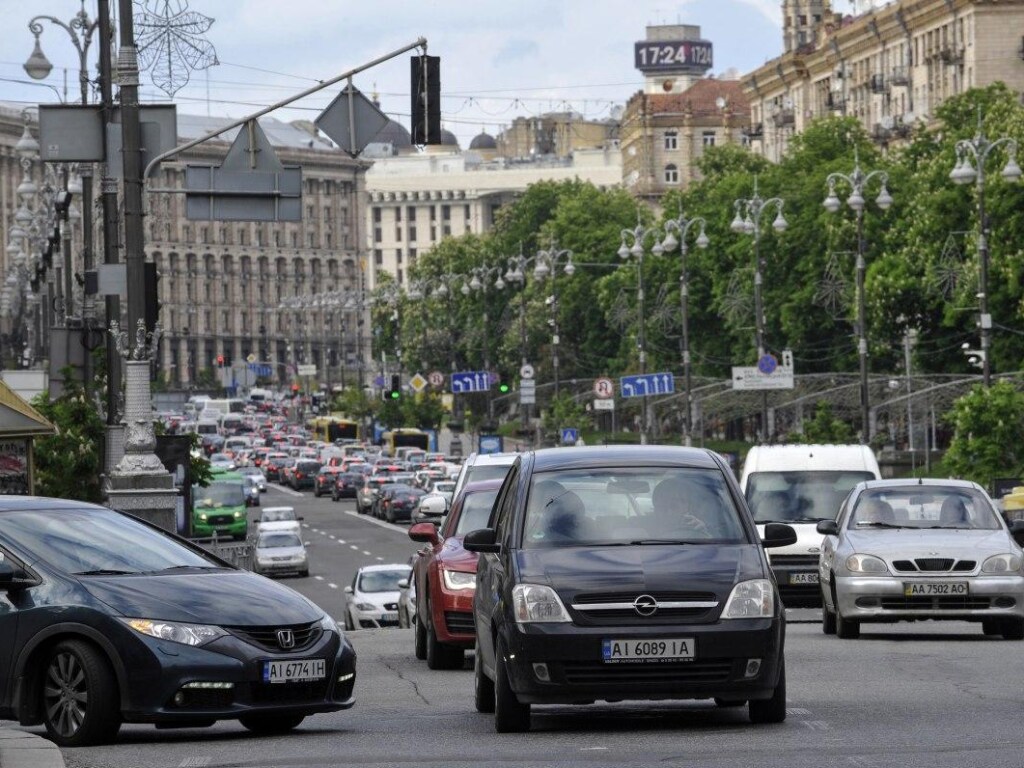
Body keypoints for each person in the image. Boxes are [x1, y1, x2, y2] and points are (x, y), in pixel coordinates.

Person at [649, 476, 721, 539]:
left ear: (687, 507)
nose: (669, 512)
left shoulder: (699, 528)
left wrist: (704, 534)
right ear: (655, 507)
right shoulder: (641, 531)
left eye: (674, 506)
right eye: (662, 507)